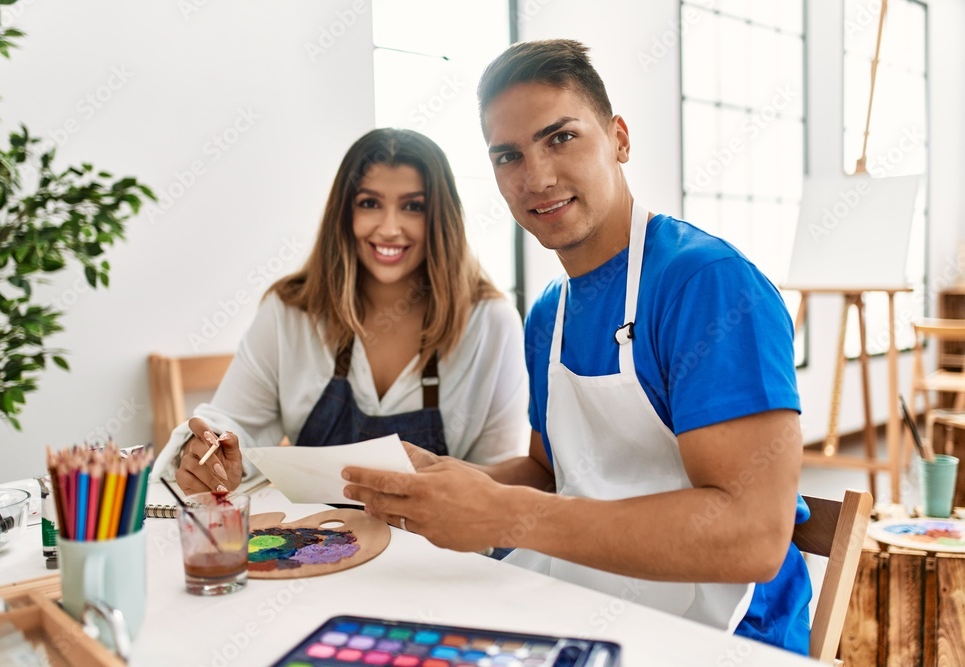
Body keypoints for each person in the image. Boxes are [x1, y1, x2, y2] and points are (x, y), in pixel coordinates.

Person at [343, 40, 812, 654]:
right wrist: (452, 485)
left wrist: (504, 515)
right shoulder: (549, 315)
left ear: (618, 138)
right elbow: (549, 474)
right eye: (508, 156)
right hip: (587, 604)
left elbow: (752, 536)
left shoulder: (707, 286)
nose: (536, 177)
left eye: (561, 138)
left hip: (720, 635)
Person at [155, 128, 529, 495]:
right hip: (316, 542)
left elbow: (498, 481)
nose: (389, 228)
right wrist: (210, 452)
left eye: (413, 206)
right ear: (344, 213)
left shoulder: (491, 324)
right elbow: (234, 425)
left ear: (440, 218)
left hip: (439, 549)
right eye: (369, 203)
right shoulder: (289, 311)